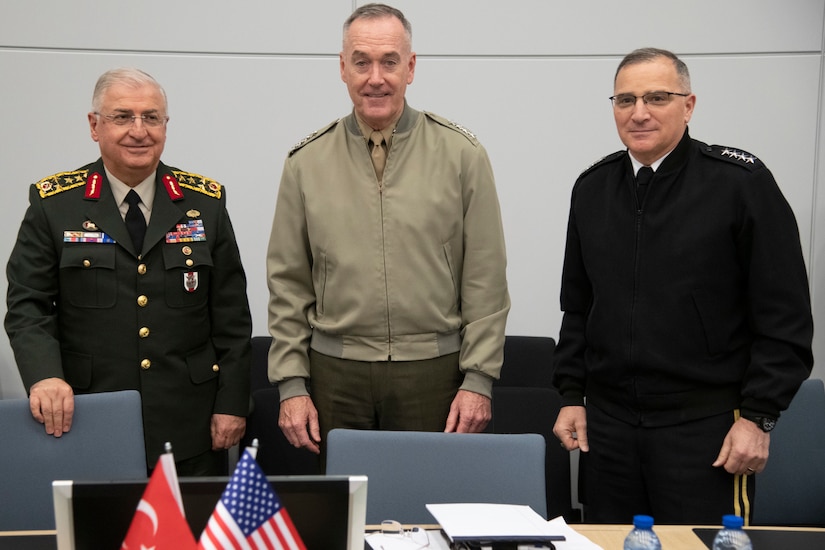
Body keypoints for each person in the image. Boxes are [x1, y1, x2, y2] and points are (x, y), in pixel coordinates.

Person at [552, 47, 813, 524]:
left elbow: (786, 319)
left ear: (689, 105)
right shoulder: (591, 188)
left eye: (657, 97)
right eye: (625, 99)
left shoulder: (740, 185)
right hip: (609, 434)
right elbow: (578, 306)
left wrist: (758, 417)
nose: (640, 112)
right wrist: (572, 394)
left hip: (705, 432)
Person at [267, 3, 509, 457]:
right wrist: (291, 384)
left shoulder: (462, 155)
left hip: (433, 372)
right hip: (334, 375)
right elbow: (287, 282)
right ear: (342, 68)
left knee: (427, 511)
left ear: (410, 67)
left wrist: (478, 379)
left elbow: (486, 278)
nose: (375, 77)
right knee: (344, 513)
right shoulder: (305, 163)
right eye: (361, 62)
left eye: (389, 62)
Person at [5, 68, 252, 475]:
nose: (139, 130)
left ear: (165, 126)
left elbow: (231, 317)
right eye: (122, 117)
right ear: (94, 126)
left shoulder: (204, 203)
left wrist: (231, 404)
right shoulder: (56, 205)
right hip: (88, 417)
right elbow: (27, 305)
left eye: (151, 117)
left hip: (189, 423)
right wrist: (44, 377)